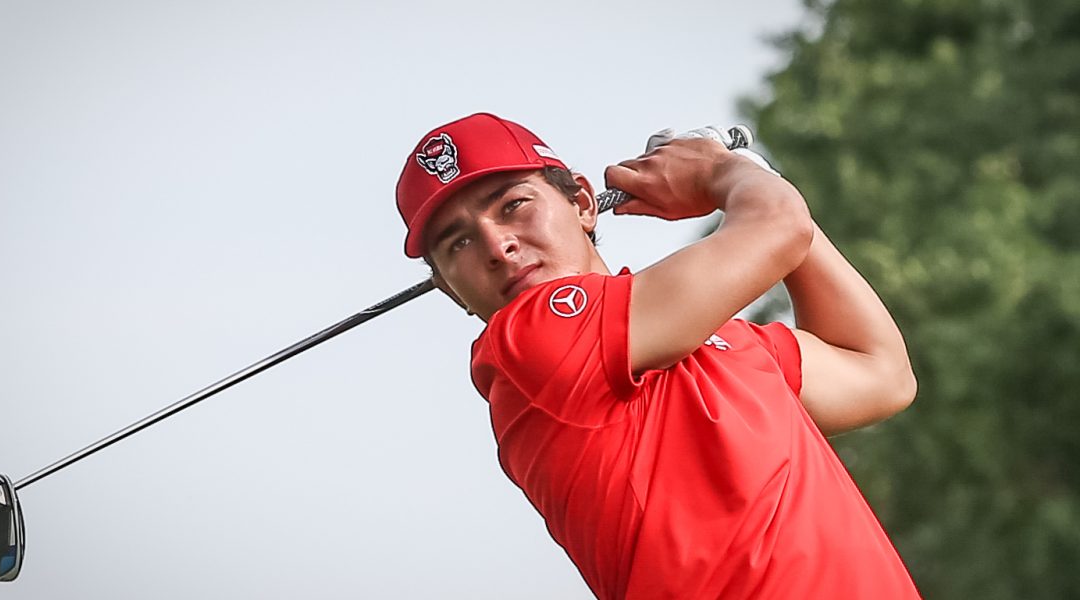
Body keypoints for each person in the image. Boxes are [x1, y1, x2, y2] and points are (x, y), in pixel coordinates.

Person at [394, 113, 920, 599]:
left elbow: (881, 372)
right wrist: (727, 174)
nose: (496, 246)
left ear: (582, 203)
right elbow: (780, 227)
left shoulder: (725, 344)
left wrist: (753, 181)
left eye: (513, 205)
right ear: (450, 290)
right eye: (458, 243)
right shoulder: (527, 347)